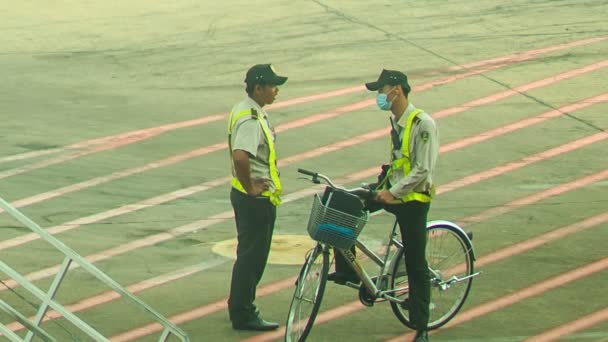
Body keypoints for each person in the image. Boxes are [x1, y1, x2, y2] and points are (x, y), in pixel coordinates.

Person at [329, 69, 438, 342]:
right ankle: (346, 269)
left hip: (412, 201)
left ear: (397, 90)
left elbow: (423, 169)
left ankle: (421, 326)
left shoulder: (423, 124)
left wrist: (394, 192)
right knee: (342, 203)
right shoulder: (397, 121)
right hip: (391, 190)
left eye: (381, 90)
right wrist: (380, 188)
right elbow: (398, 163)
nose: (379, 96)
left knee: (415, 263)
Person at [226, 64, 287, 331]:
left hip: (245, 197)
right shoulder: (250, 119)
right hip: (254, 200)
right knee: (253, 258)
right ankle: (243, 312)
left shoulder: (245, 109)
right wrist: (250, 186)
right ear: (258, 88)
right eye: (273, 86)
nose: (276, 91)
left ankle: (238, 304)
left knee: (247, 254)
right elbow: (241, 155)